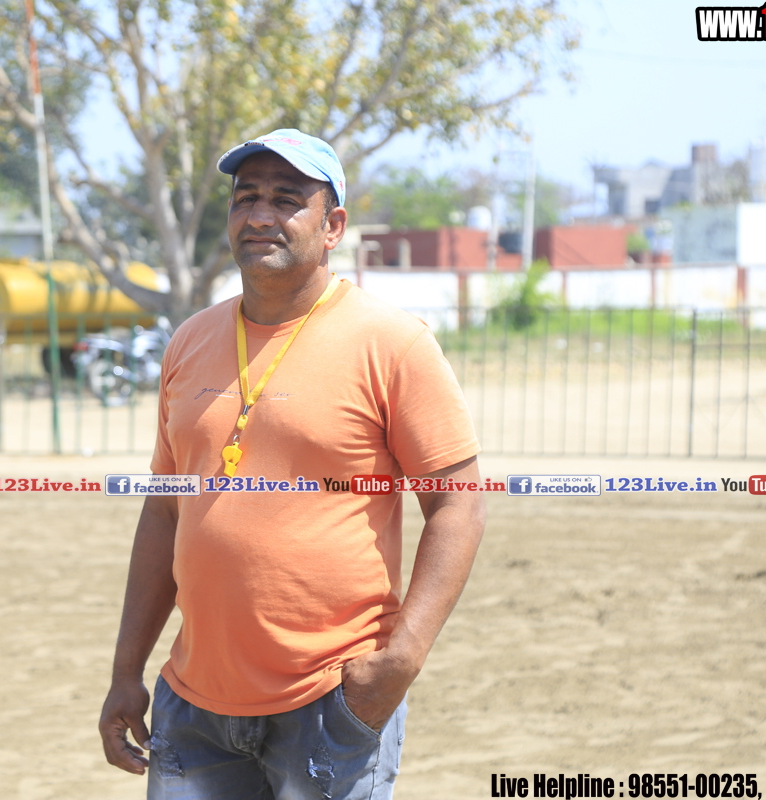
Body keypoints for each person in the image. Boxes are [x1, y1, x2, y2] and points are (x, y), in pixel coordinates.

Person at [97, 129, 486, 800]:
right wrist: (126, 670)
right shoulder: (190, 341)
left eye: (286, 200)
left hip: (330, 701)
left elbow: (459, 504)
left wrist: (402, 660)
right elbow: (165, 511)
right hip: (193, 706)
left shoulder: (392, 343)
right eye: (246, 198)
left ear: (333, 226)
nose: (259, 216)